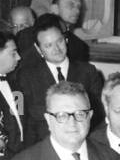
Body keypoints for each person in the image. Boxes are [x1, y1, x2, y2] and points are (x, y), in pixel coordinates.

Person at [16, 15, 104, 145]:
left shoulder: (88, 72)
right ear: (38, 49)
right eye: (48, 45)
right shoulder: (26, 77)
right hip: (41, 147)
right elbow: (24, 121)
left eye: (60, 41)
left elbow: (98, 114)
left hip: (82, 143)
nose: (57, 49)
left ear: (66, 39)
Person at [18, 0, 89, 68]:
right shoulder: (26, 36)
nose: (77, 11)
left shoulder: (79, 46)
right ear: (54, 8)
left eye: (79, 7)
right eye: (71, 5)